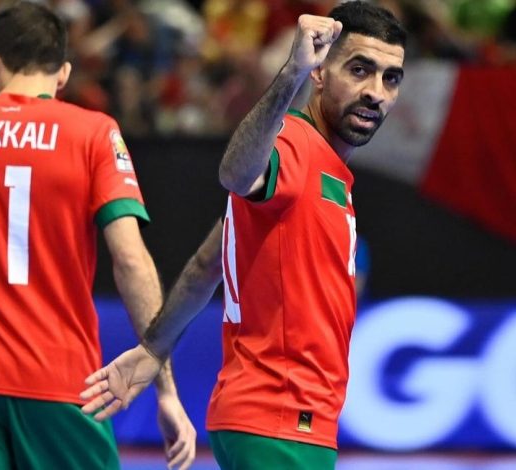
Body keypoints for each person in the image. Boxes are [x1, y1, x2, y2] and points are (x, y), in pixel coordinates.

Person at [80, 2, 406, 468]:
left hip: (264, 421)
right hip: (283, 421)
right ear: (319, 72)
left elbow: (205, 265)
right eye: (359, 70)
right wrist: (291, 73)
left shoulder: (325, 167)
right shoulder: (296, 145)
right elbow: (235, 174)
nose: (375, 92)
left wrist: (153, 348)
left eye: (390, 78)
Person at [0, 3, 195, 469]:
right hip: (58, 378)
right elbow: (131, 260)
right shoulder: (93, 133)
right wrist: (164, 387)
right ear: (63, 73)